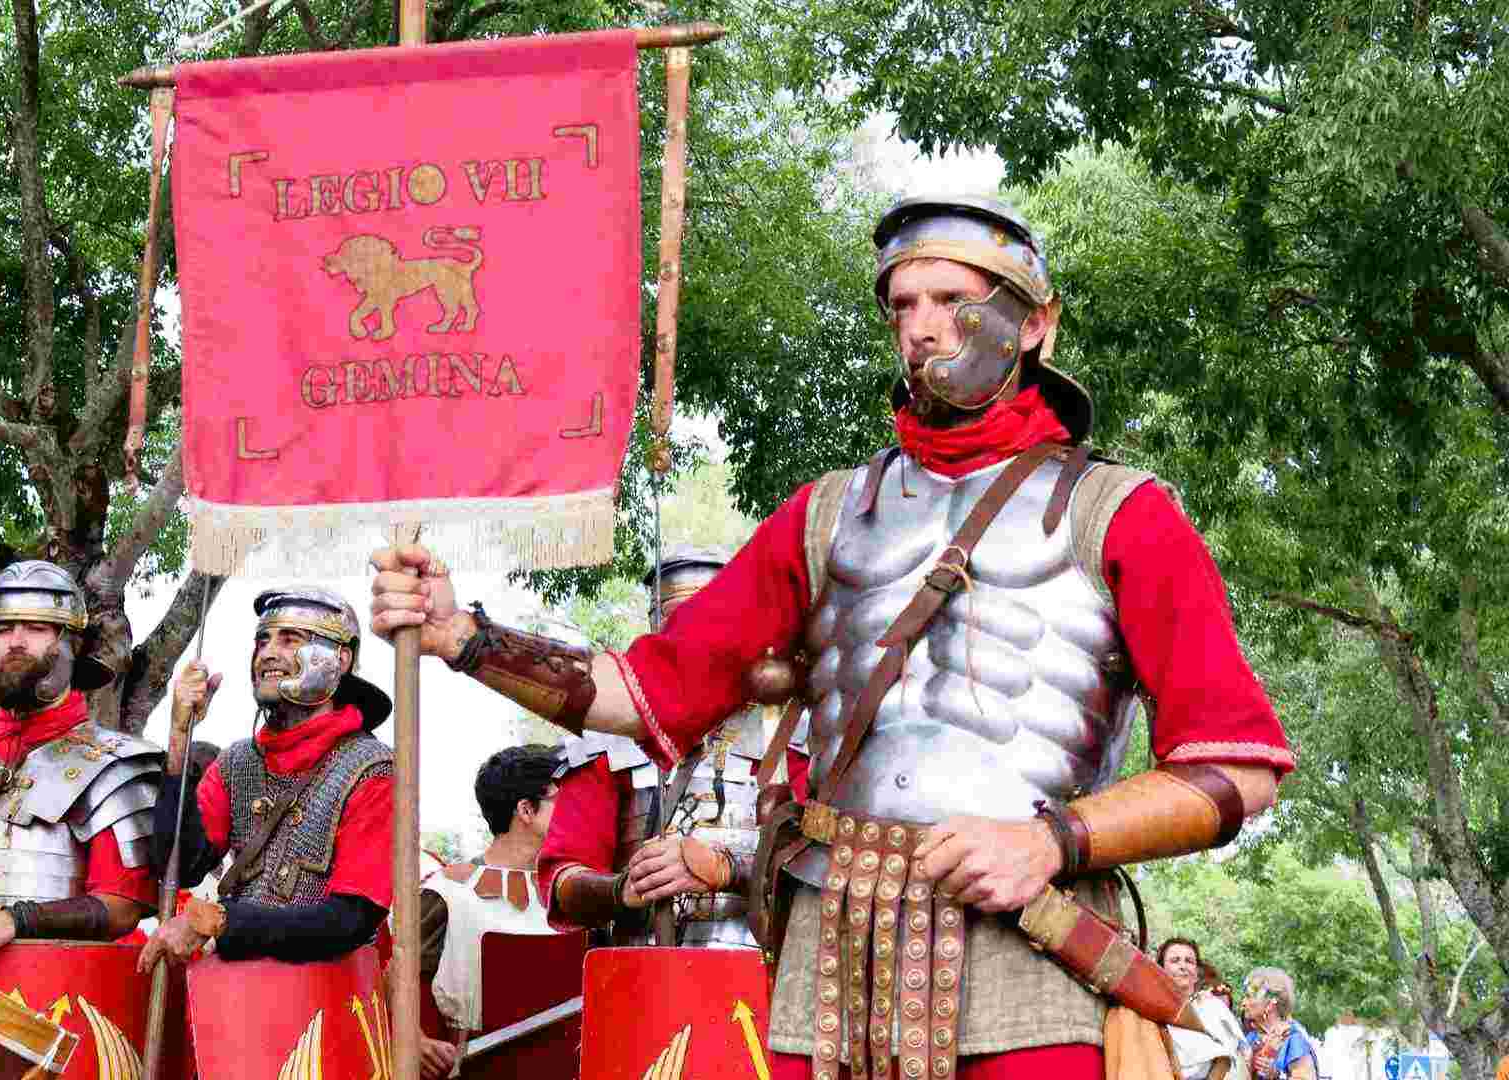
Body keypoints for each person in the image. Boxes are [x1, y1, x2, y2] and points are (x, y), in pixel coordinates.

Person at [369, 193, 1294, 1079]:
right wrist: (466, 637)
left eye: (952, 304)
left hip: (1031, 942)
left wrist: (1054, 839)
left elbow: (1241, 770)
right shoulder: (827, 516)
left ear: (1037, 324)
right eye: (903, 305)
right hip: (833, 934)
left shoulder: (1121, 514)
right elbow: (647, 692)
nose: (921, 327)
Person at [537, 547, 807, 947]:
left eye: (711, 617)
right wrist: (622, 889)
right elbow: (562, 881)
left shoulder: (794, 735)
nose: (697, 636)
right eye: (677, 620)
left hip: (768, 977)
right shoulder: (606, 745)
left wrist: (728, 869)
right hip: (641, 980)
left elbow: (826, 867)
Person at [0, 559, 162, 970]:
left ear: (73, 643)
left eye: (36, 628)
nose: (15, 641)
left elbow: (121, 906)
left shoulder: (114, 767)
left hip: (51, 1000)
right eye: (3, 628)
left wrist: (14, 921)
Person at [137, 586, 395, 969]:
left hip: (326, 1002)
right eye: (262, 640)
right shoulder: (238, 762)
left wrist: (222, 921)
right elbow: (182, 865)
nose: (268, 653)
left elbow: (350, 921)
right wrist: (178, 740)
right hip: (238, 992)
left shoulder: (373, 770)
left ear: (340, 658)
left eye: (289, 640)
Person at [418, 745, 564, 1078]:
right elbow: (396, 978)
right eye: (564, 802)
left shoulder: (572, 892)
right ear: (526, 810)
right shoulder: (446, 891)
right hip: (477, 1068)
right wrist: (415, 1038)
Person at [1158, 937, 1244, 1079]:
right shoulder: (1152, 1009)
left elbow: (1224, 1060)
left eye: (1189, 961)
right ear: (1161, 969)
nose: (1183, 966)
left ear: (1197, 973)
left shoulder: (1214, 1008)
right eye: (1175, 961)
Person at [1240, 968, 1317, 1080]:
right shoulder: (1251, 1038)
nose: (1243, 1003)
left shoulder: (1291, 1037)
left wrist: (1275, 1075)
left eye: (1249, 996)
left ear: (1271, 1001)